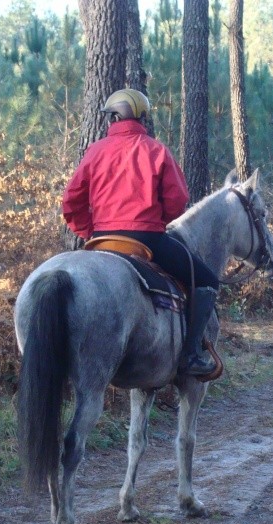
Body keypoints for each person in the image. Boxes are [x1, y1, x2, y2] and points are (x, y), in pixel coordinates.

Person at [62, 88, 219, 377]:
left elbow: (71, 201)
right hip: (147, 238)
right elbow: (177, 200)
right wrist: (156, 221)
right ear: (142, 117)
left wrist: (89, 231)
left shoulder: (94, 151)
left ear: (112, 118)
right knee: (207, 281)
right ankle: (191, 355)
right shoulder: (156, 150)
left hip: (102, 240)